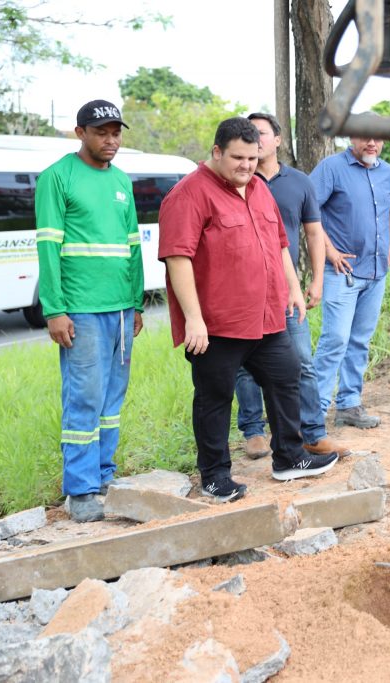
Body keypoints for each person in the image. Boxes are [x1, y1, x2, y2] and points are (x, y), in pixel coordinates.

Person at [159, 117, 337, 503]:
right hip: (217, 323)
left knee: (285, 378)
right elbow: (178, 258)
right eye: (238, 158)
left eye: (253, 158)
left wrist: (291, 287)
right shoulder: (188, 194)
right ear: (216, 151)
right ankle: (214, 475)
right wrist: (193, 319)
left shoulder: (257, 187)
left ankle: (290, 457)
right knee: (215, 397)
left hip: (267, 315)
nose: (246, 166)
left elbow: (279, 244)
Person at [35, 99, 144, 523]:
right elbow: (47, 246)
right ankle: (80, 491)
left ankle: (103, 476)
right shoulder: (57, 177)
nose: (111, 139)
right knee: (83, 397)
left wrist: (136, 303)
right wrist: (54, 310)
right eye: (102, 132)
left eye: (116, 132)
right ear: (80, 133)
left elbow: (133, 245)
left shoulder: (121, 180)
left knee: (112, 398)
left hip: (120, 309)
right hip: (79, 309)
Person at [232, 113, 349, 461]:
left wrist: (316, 280)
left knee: (302, 362)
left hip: (286, 289)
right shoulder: (237, 180)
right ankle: (254, 431)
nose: (255, 139)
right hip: (242, 291)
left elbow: (314, 232)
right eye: (250, 134)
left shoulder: (298, 182)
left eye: (262, 133)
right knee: (245, 364)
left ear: (278, 139)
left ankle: (313, 433)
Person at [308, 121, 390, 431]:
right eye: (365, 136)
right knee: (335, 340)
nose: (372, 142)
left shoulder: (386, 172)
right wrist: (330, 250)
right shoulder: (331, 168)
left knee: (360, 341)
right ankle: (314, 414)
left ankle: (349, 405)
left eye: (377, 137)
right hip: (341, 273)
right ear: (352, 137)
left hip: (376, 273)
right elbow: (308, 211)